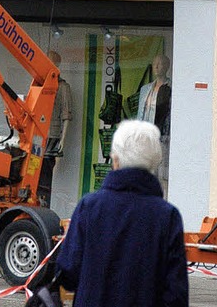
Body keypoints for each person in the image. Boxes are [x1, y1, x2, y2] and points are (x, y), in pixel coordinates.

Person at [56, 120, 188, 307]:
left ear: (115, 160)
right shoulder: (167, 216)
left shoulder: (90, 207)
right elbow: (176, 293)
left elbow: (68, 272)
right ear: (154, 162)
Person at [38, 50, 72, 208]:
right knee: (33, 172)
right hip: (37, 135)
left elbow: (66, 115)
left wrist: (62, 142)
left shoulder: (63, 87)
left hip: (52, 136)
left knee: (46, 173)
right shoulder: (38, 83)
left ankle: (45, 206)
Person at [137, 54, 172, 195]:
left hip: (162, 137)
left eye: (161, 63)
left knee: (162, 173)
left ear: (167, 67)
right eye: (154, 63)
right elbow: (140, 113)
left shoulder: (171, 88)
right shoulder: (146, 89)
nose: (157, 66)